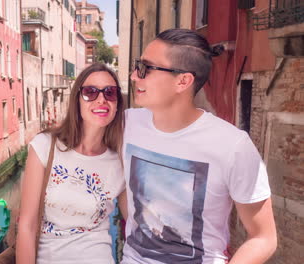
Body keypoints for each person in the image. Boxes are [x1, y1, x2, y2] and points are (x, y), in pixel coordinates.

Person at [121, 28, 277, 264]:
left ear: (183, 81)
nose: (134, 76)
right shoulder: (126, 124)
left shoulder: (233, 146)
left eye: (146, 68)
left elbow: (264, 238)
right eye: (137, 66)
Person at [17, 63, 127, 264]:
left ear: (118, 102)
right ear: (77, 99)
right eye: (90, 92)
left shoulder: (120, 161)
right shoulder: (45, 146)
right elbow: (27, 225)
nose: (101, 99)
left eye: (110, 93)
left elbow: (138, 223)